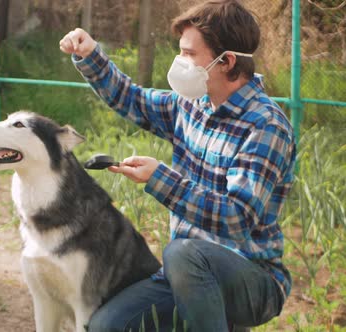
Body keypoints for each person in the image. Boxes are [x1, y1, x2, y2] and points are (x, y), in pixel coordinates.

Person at [59, 0, 295, 331]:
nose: (179, 62)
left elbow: (237, 217)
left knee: (182, 253)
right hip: (186, 274)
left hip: (251, 278)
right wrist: (91, 56)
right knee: (106, 326)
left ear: (225, 62)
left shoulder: (265, 126)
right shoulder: (191, 105)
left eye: (188, 54)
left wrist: (161, 179)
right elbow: (134, 100)